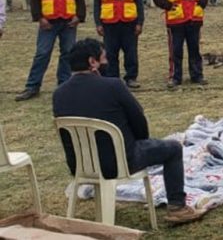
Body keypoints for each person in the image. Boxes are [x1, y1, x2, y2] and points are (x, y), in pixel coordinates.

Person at [52, 38, 204, 224]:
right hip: (119, 162)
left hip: (80, 166)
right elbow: (139, 123)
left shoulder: (58, 94)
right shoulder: (114, 86)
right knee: (173, 148)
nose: (107, 62)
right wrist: (139, 141)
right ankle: (178, 207)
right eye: (104, 58)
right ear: (93, 62)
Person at [16, 0, 86, 101]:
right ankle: (32, 86)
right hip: (48, 21)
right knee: (42, 53)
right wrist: (39, 18)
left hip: (68, 20)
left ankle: (64, 85)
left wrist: (79, 16)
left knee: (67, 53)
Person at [153, 0, 210, 89]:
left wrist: (200, 6)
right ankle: (175, 77)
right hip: (176, 20)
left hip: (194, 19)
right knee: (176, 50)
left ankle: (197, 75)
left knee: (194, 49)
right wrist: (168, 6)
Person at [93, 0, 144, 89]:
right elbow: (97, 2)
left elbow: (139, 1)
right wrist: (98, 23)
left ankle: (131, 77)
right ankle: (113, 78)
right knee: (110, 52)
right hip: (109, 22)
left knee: (131, 52)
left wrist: (140, 22)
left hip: (129, 22)